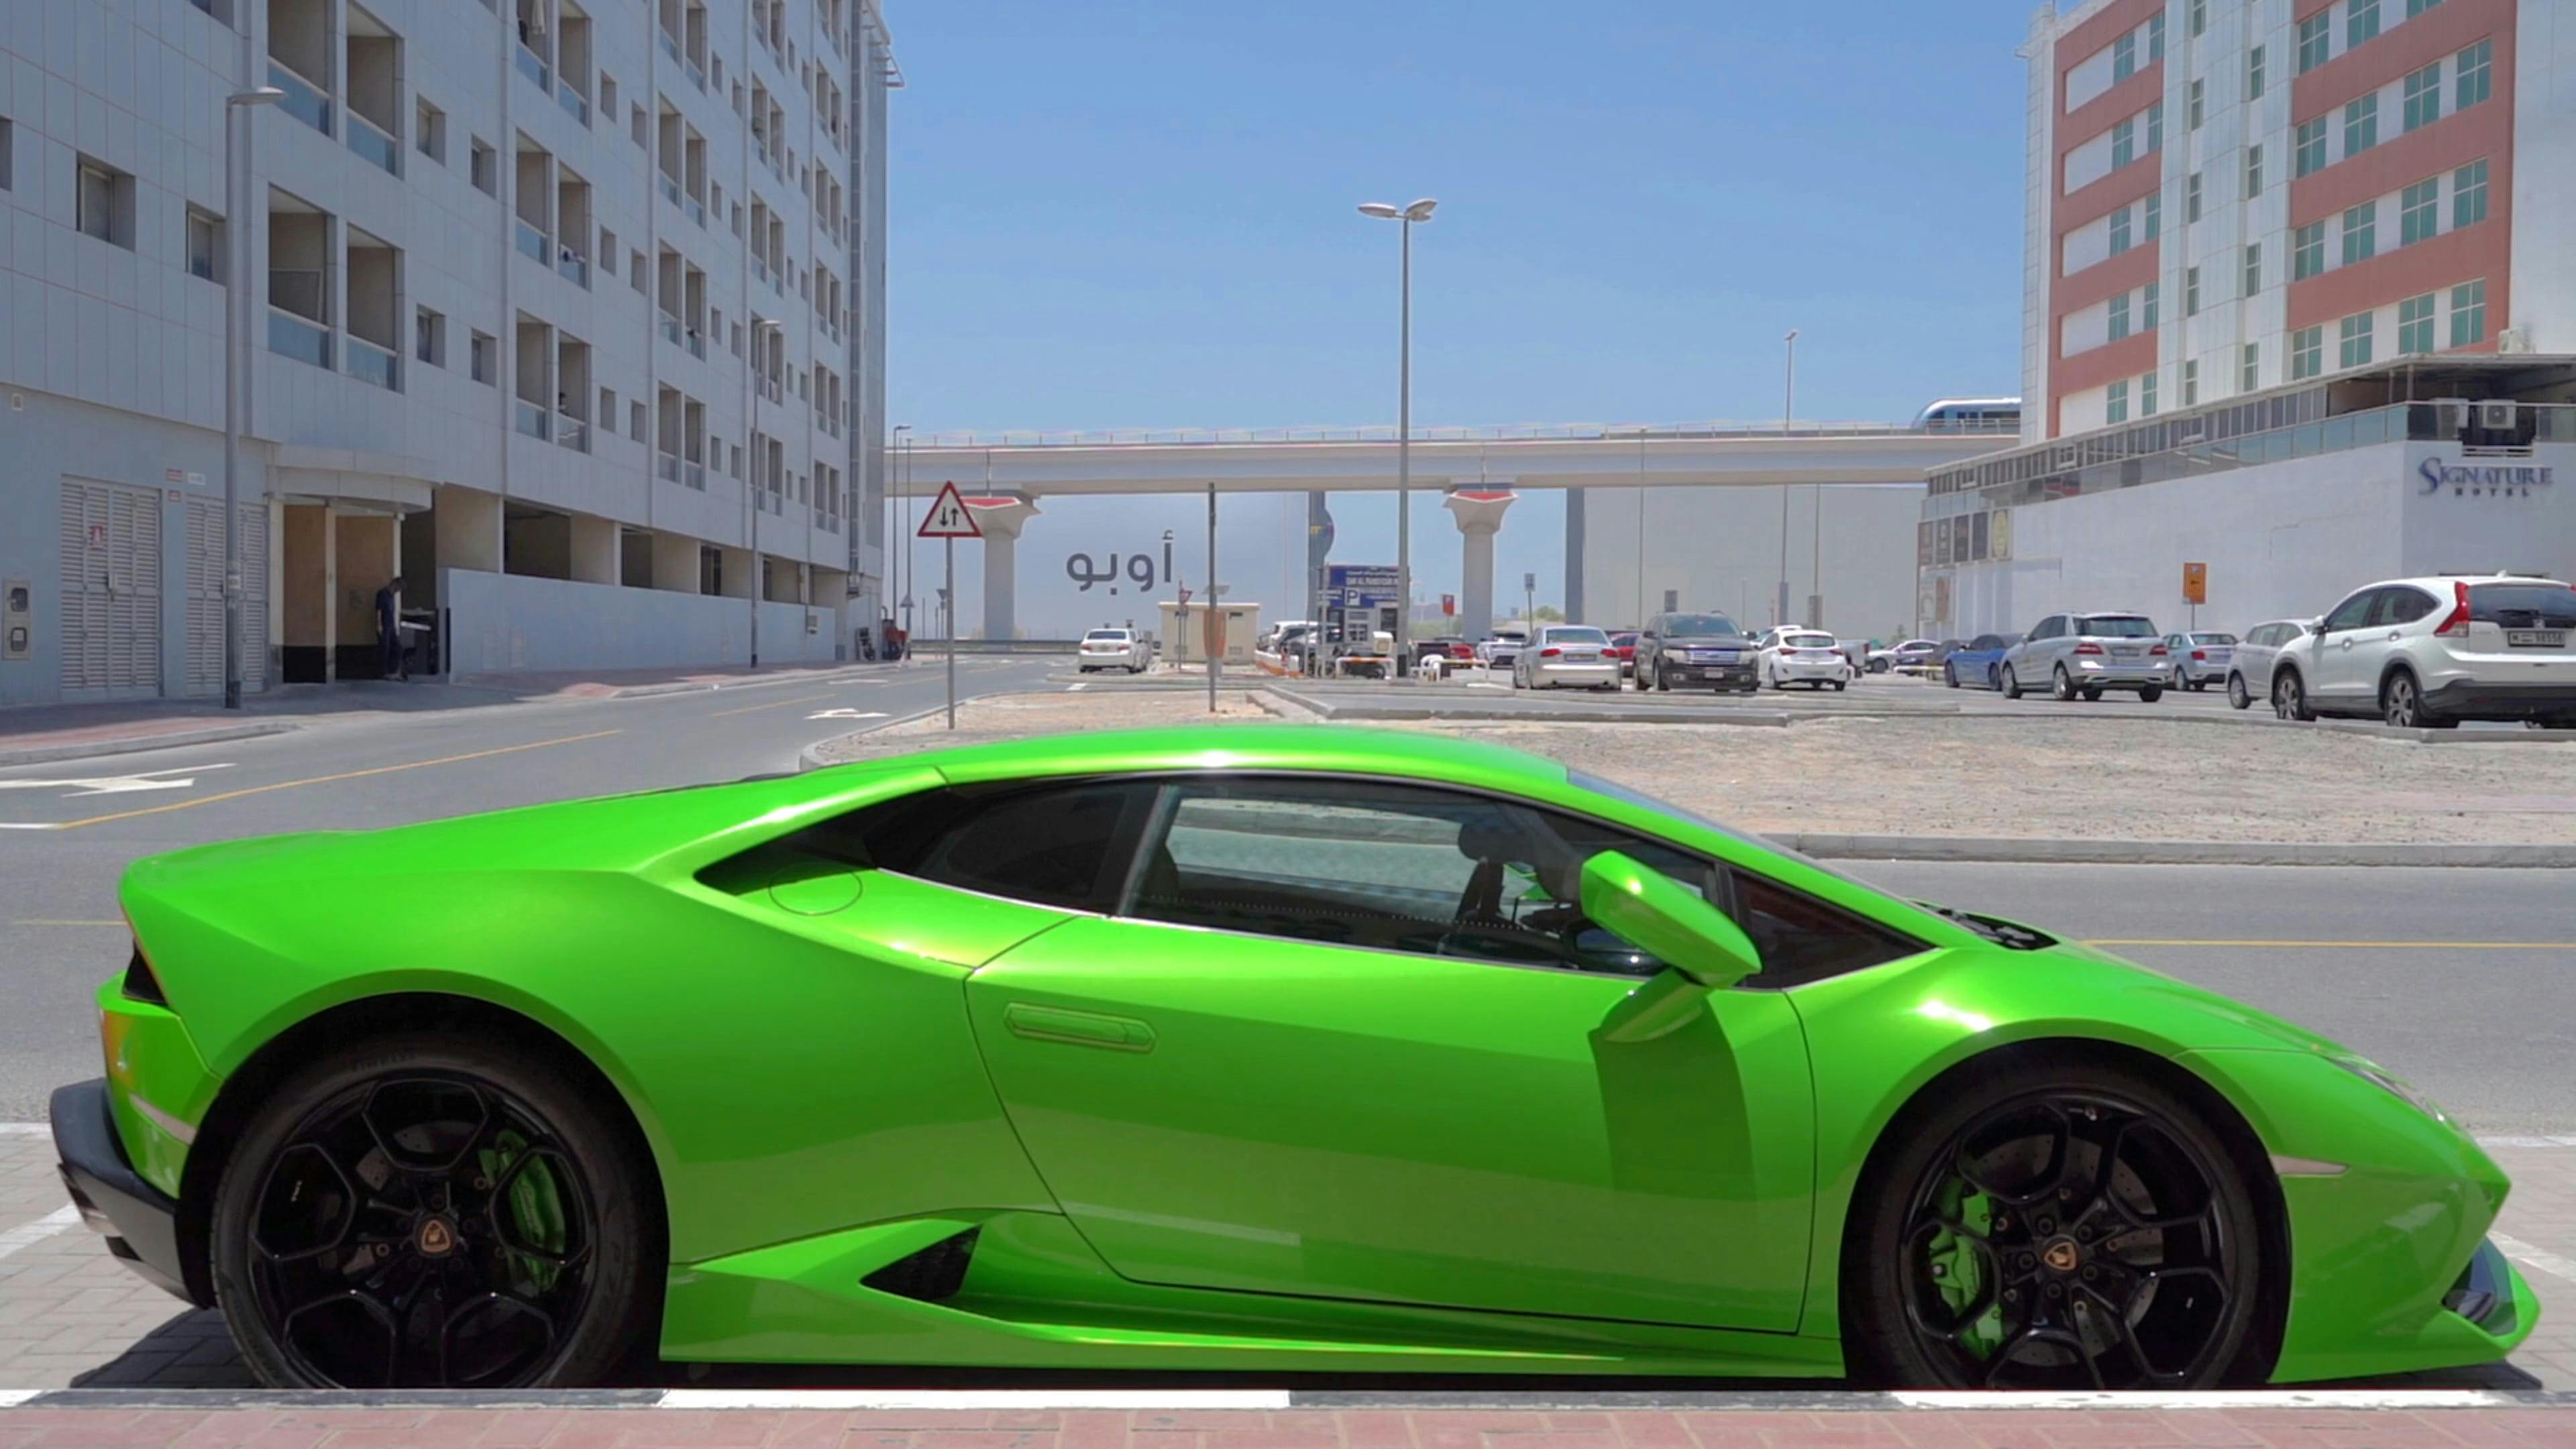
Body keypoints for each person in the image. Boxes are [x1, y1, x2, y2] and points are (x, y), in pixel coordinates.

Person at [375, 576, 407, 682]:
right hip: (384, 625)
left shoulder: (391, 597)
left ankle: (393, 671)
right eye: (397, 588)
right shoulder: (382, 594)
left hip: (391, 626)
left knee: (398, 647)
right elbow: (379, 610)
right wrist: (379, 625)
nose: (397, 591)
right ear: (394, 585)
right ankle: (383, 672)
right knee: (385, 648)